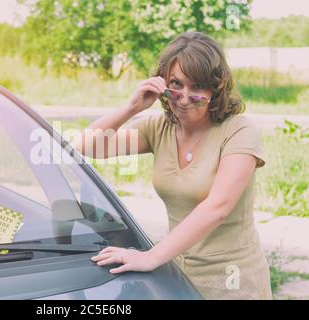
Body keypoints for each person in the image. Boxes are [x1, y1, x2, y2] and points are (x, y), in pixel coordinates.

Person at [76, 31, 272, 299]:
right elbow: (87, 147)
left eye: (197, 86)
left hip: (232, 281)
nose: (183, 97)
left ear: (217, 86)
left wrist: (151, 256)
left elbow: (218, 207)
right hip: (177, 276)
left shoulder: (239, 130)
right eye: (176, 83)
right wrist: (131, 108)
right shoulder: (158, 128)